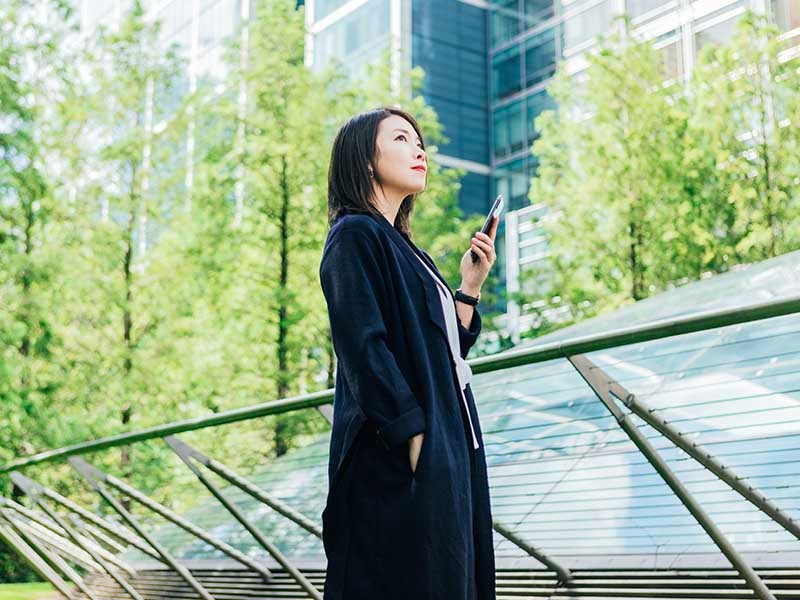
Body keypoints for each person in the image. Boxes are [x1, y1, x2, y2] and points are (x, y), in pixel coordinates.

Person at [318, 106, 499, 600]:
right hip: (398, 454)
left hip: (448, 442)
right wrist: (413, 439)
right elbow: (363, 349)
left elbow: (442, 353)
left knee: (449, 577)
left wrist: (469, 286)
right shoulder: (354, 235)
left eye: (419, 141)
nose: (418, 149)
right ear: (365, 159)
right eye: (401, 138)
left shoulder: (409, 251)